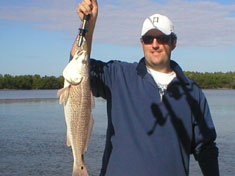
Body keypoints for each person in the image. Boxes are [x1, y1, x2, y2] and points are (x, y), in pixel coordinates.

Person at [71, 0, 220, 175]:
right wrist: (88, 24)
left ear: (173, 42)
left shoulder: (192, 92)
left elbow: (206, 149)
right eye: (149, 39)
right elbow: (77, 67)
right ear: (142, 43)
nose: (155, 44)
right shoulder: (119, 75)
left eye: (162, 38)